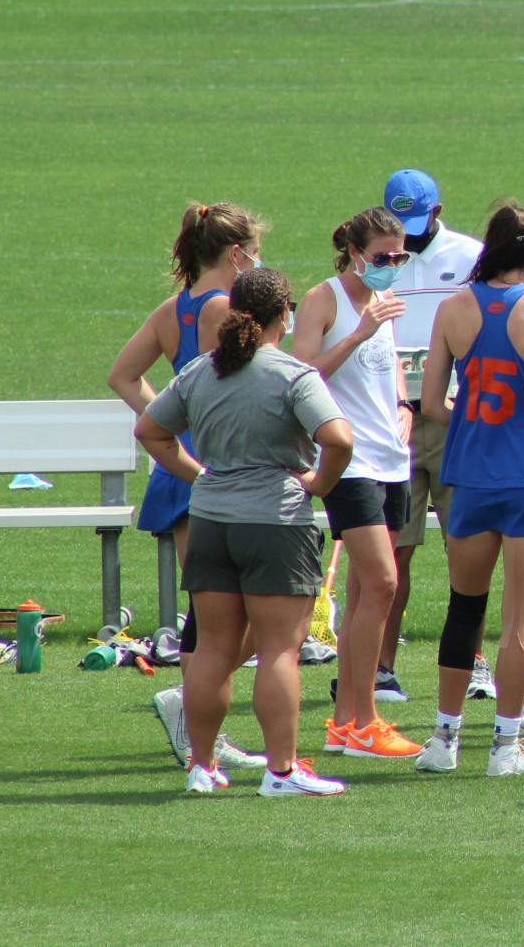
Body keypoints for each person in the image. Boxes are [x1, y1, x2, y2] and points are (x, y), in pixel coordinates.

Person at [134, 267, 354, 797]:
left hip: (210, 521)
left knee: (212, 648)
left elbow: (150, 429)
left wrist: (200, 475)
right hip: (275, 523)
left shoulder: (202, 370)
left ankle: (201, 767)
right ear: (286, 314)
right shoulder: (293, 374)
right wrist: (318, 483)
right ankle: (281, 772)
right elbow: (339, 439)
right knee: (278, 649)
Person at [412, 205, 524, 779]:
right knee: (520, 616)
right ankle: (505, 748)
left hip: (470, 476)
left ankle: (443, 739)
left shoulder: (453, 309)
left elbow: (434, 406)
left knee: (465, 609)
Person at [108, 201, 268, 772]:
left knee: (212, 613)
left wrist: (168, 417)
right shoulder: (224, 306)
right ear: (235, 253)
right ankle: (190, 712)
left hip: (179, 466)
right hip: (217, 466)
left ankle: (200, 722)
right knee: (231, 617)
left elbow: (123, 375)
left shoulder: (171, 308)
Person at [290, 207, 422, 761]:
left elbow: (387, 361)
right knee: (384, 584)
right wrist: (361, 330)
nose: (393, 265)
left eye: (401, 256)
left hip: (391, 458)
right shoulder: (327, 299)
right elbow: (300, 374)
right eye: (383, 256)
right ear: (354, 251)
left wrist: (402, 402)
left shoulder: (379, 302)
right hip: (349, 461)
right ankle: (362, 717)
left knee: (371, 592)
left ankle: (347, 722)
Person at [378, 169, 486, 699]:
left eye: (417, 222)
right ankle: (381, 667)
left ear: (438, 211)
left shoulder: (471, 256)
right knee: (393, 552)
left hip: (455, 418)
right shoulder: (375, 262)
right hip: (390, 421)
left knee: (466, 545)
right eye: (399, 224)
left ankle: (475, 664)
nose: (407, 235)